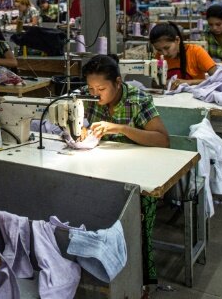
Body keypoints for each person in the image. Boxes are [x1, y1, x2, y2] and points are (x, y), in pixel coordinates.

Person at [78, 54, 168, 284]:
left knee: (136, 222)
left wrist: (121, 128)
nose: (95, 93)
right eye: (90, 88)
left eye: (101, 88)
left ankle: (141, 279)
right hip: (105, 168)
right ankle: (97, 271)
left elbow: (162, 140)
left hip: (139, 174)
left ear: (118, 82)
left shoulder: (138, 99)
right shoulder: (91, 100)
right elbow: (85, 128)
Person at [149, 21, 217, 88]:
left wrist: (190, 82)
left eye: (167, 48)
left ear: (177, 40)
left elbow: (219, 79)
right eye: (159, 50)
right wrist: (164, 83)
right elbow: (154, 83)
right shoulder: (159, 57)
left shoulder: (196, 52)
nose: (164, 53)